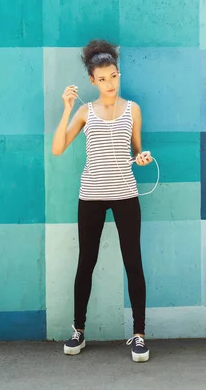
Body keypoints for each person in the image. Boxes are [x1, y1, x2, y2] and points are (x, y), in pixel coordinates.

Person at [51, 39, 152, 363]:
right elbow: (57, 148)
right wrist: (66, 109)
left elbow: (136, 149)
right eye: (103, 78)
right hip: (91, 195)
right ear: (92, 81)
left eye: (114, 76)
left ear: (119, 74)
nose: (110, 83)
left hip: (125, 192)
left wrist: (143, 157)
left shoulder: (133, 109)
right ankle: (78, 330)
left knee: (133, 261)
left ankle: (139, 335)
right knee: (86, 262)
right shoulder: (84, 111)